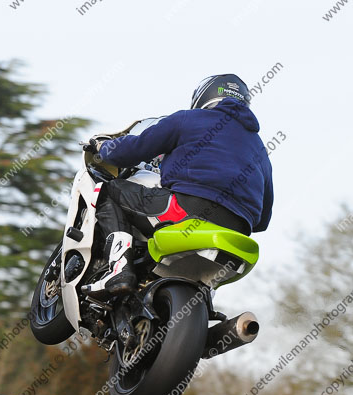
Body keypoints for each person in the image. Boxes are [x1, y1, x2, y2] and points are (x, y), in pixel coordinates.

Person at [82, 74, 274, 297]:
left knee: (108, 190)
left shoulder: (189, 119)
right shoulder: (260, 150)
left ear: (203, 96)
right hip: (237, 232)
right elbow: (263, 219)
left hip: (187, 210)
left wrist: (104, 147)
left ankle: (120, 270)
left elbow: (131, 150)